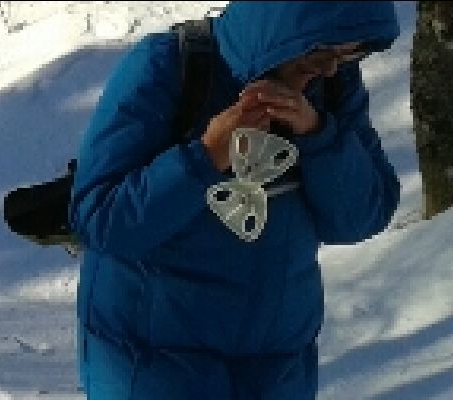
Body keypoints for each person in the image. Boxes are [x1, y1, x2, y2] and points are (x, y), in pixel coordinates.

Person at [67, 2, 400, 398]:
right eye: (321, 51)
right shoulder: (169, 67)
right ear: (280, 22)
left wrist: (319, 136)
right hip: (155, 366)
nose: (330, 68)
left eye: (350, 52)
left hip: (277, 367)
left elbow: (362, 217)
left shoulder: (334, 87)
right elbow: (101, 219)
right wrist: (204, 156)